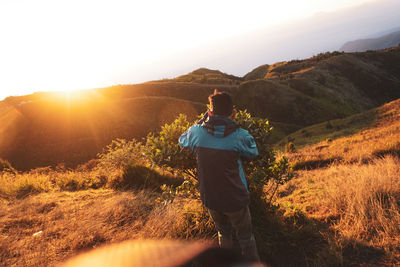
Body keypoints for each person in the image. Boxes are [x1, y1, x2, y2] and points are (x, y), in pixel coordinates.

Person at [179, 90, 260, 262]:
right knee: (246, 237)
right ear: (233, 112)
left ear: (209, 112)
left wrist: (202, 120)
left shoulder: (196, 133)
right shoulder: (240, 136)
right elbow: (253, 152)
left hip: (211, 198)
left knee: (223, 233)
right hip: (235, 198)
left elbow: (182, 140)